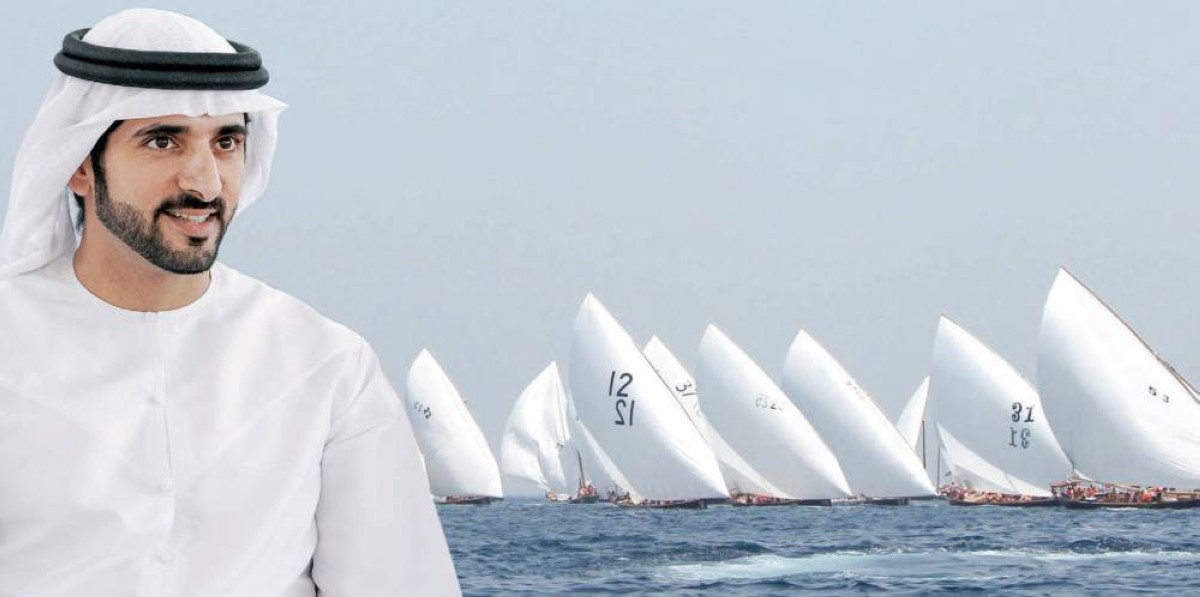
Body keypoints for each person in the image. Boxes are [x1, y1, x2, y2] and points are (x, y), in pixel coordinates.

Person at [0, 9, 460, 596]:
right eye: (163, 140)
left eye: (226, 142)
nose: (206, 182)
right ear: (80, 166)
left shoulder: (326, 365)